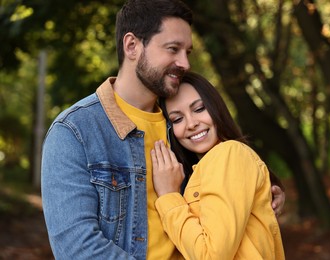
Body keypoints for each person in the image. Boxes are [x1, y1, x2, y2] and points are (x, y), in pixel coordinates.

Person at [41, 0, 285, 259]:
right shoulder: (75, 132)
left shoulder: (184, 130)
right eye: (173, 49)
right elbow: (78, 250)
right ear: (132, 46)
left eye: (187, 52)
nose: (185, 63)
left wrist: (259, 193)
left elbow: (220, 202)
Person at [151, 71, 285, 259]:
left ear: (216, 108)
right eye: (177, 119)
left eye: (199, 109)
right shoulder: (199, 172)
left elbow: (211, 255)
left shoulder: (229, 153)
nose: (191, 124)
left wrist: (168, 197)